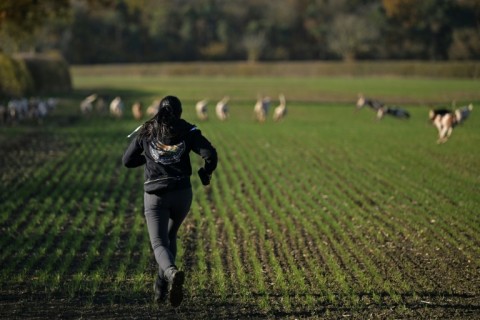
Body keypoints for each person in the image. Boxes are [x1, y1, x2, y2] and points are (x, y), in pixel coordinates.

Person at [122, 95, 217, 307]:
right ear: (180, 112)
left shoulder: (147, 130)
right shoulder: (189, 130)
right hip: (182, 194)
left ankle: (171, 274)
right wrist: (205, 173)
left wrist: (148, 157)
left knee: (158, 243)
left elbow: (127, 161)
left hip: (156, 196)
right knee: (170, 235)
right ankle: (161, 289)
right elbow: (210, 154)